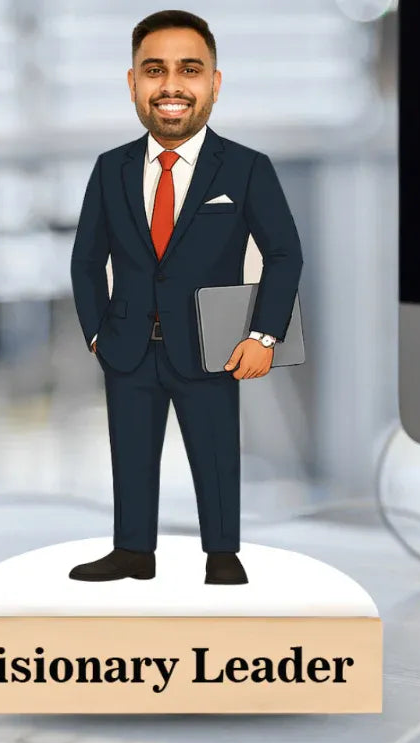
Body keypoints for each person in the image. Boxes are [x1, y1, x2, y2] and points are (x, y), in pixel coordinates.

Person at [68, 10, 303, 584]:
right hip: (127, 346)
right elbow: (85, 259)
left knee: (216, 451)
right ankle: (133, 551)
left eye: (189, 70)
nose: (171, 85)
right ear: (133, 83)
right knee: (131, 453)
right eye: (155, 70)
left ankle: (222, 555)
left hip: (209, 347)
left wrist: (263, 335)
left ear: (214, 83)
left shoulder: (246, 169)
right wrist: (96, 334)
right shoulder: (110, 169)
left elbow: (284, 254)